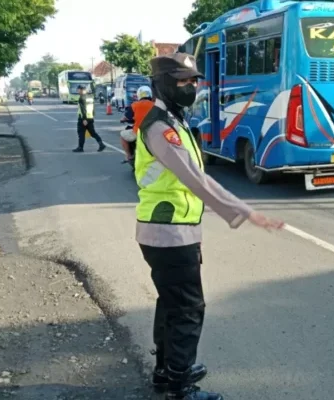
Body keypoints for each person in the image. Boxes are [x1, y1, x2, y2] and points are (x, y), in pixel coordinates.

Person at [136, 52, 284, 400]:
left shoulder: (175, 120)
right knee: (188, 308)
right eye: (182, 81)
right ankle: (181, 384)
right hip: (169, 232)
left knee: (171, 303)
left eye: (193, 81)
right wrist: (246, 212)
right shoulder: (160, 127)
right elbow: (196, 180)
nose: (190, 86)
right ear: (162, 83)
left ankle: (167, 370)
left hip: (171, 230)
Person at [120, 85, 154, 161]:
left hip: (138, 132)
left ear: (139, 95)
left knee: (122, 136)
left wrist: (122, 119)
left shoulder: (134, 105)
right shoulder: (155, 105)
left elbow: (126, 117)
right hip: (153, 132)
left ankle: (128, 155)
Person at [73, 85, 106, 153]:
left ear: (81, 90)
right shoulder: (90, 97)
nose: (77, 91)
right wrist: (92, 117)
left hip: (83, 118)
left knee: (81, 133)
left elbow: (83, 109)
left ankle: (80, 147)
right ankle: (101, 144)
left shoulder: (81, 97)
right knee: (93, 133)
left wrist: (84, 119)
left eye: (78, 89)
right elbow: (92, 108)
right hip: (90, 117)